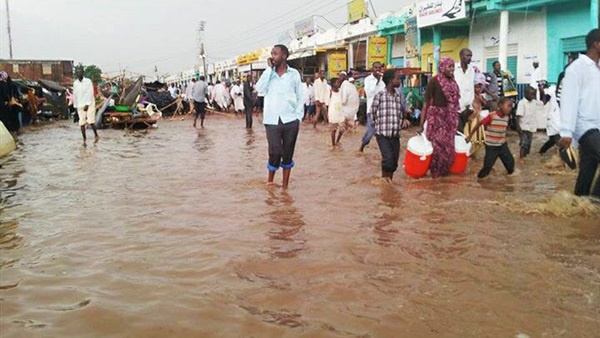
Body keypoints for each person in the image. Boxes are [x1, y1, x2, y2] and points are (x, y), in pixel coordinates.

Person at [558, 28, 600, 198]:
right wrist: (566, 132)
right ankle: (596, 203)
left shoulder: (597, 69)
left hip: (597, 127)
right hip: (585, 126)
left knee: (588, 170)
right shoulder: (577, 68)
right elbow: (568, 100)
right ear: (597, 44)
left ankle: (580, 204)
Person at [255, 44, 303, 189]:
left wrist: (298, 117)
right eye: (272, 53)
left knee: (288, 154)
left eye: (275, 53)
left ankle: (285, 187)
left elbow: (300, 96)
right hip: (272, 120)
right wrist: (269, 69)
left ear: (284, 56)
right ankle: (270, 182)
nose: (272, 56)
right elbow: (259, 89)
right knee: (275, 151)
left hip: (290, 120)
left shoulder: (294, 74)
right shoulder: (268, 74)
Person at [420, 57, 461, 178]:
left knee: (448, 148)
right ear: (442, 67)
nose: (452, 69)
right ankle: (435, 175)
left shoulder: (453, 83)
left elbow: (455, 103)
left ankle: (444, 176)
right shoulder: (434, 81)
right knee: (437, 147)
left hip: (450, 120)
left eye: (453, 66)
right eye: (449, 66)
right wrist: (421, 124)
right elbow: (426, 102)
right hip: (437, 119)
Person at [369, 69, 411, 181]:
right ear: (390, 81)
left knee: (394, 162)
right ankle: (384, 180)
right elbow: (372, 112)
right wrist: (376, 127)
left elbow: (400, 112)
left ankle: (389, 181)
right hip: (382, 134)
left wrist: (403, 120)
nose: (400, 81)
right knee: (388, 159)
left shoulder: (398, 97)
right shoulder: (380, 96)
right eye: (397, 78)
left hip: (395, 134)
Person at [467, 97, 515, 179]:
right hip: (491, 146)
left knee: (510, 163)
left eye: (511, 107)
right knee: (487, 166)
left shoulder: (507, 117)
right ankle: (479, 179)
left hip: (502, 145)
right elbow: (479, 124)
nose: (510, 109)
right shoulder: (492, 116)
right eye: (508, 106)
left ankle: (510, 178)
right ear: (500, 105)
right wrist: (470, 136)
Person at [360, 61, 386, 152]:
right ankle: (362, 146)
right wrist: (377, 81)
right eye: (376, 68)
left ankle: (383, 152)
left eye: (379, 68)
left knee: (383, 133)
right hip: (371, 111)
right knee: (370, 132)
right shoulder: (368, 79)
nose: (378, 70)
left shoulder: (384, 80)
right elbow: (369, 94)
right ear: (372, 69)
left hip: (383, 111)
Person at [73, 67, 98, 145]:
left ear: (83, 73)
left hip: (89, 103)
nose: (79, 73)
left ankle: (96, 135)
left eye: (80, 72)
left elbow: (90, 92)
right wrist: (75, 107)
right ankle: (84, 139)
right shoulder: (75, 83)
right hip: (80, 104)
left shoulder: (88, 81)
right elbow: (75, 95)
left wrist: (87, 104)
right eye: (77, 72)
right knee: (81, 122)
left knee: (91, 121)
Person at [515, 86, 541, 158]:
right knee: (524, 144)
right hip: (523, 127)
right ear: (525, 94)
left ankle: (525, 158)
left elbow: (542, 103)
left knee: (528, 145)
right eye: (531, 94)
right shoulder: (522, 103)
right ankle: (521, 159)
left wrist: (541, 91)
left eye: (533, 94)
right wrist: (518, 127)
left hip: (531, 128)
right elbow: (518, 116)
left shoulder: (534, 102)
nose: (533, 96)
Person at [539, 81, 561, 155]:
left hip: (559, 118)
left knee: (556, 139)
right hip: (553, 118)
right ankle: (542, 152)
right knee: (555, 139)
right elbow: (544, 101)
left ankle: (542, 152)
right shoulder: (552, 90)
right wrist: (542, 92)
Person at [454, 48, 477, 112]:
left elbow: (471, 87)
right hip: (456, 106)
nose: (469, 58)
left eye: (470, 56)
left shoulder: (471, 70)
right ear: (461, 56)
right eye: (467, 56)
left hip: (469, 106)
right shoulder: (454, 68)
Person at [328, 77, 345, 146]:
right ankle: (333, 144)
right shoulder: (330, 92)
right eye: (337, 82)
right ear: (333, 84)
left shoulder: (341, 91)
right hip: (333, 113)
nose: (339, 83)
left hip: (341, 113)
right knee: (333, 130)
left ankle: (337, 141)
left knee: (342, 129)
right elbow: (327, 103)